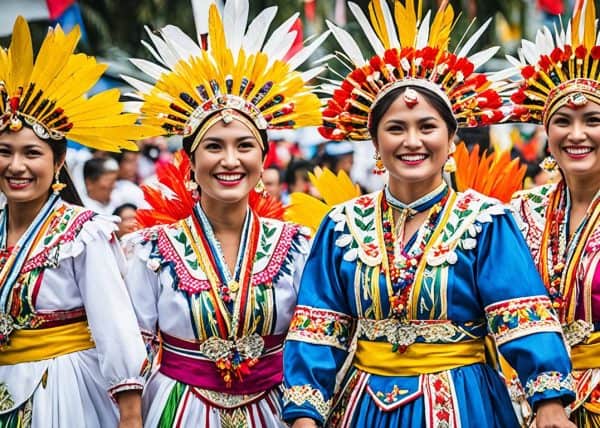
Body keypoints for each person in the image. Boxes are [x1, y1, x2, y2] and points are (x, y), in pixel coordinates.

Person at [282, 1, 575, 427]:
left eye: (427, 126)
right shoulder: (341, 224)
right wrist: (306, 415)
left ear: (452, 138)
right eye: (396, 128)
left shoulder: (485, 221)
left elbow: (520, 313)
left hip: (463, 400)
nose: (412, 141)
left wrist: (549, 403)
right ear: (375, 142)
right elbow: (319, 328)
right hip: (364, 406)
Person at [121, 2, 327, 426]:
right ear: (191, 161)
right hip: (178, 410)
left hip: (276, 410)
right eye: (214, 146)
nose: (229, 160)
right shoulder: (150, 251)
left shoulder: (299, 245)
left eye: (244, 146)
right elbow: (134, 349)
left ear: (264, 158)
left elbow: (313, 340)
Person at [0, 17, 154, 427]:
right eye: (5, 151)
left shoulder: (83, 233)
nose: (16, 166)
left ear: (59, 162)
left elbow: (115, 326)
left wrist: (130, 415)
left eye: (31, 153)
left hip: (62, 390)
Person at [509, 1, 600, 425]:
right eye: (563, 120)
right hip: (526, 404)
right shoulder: (520, 211)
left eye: (593, 120)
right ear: (546, 134)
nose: (576, 134)